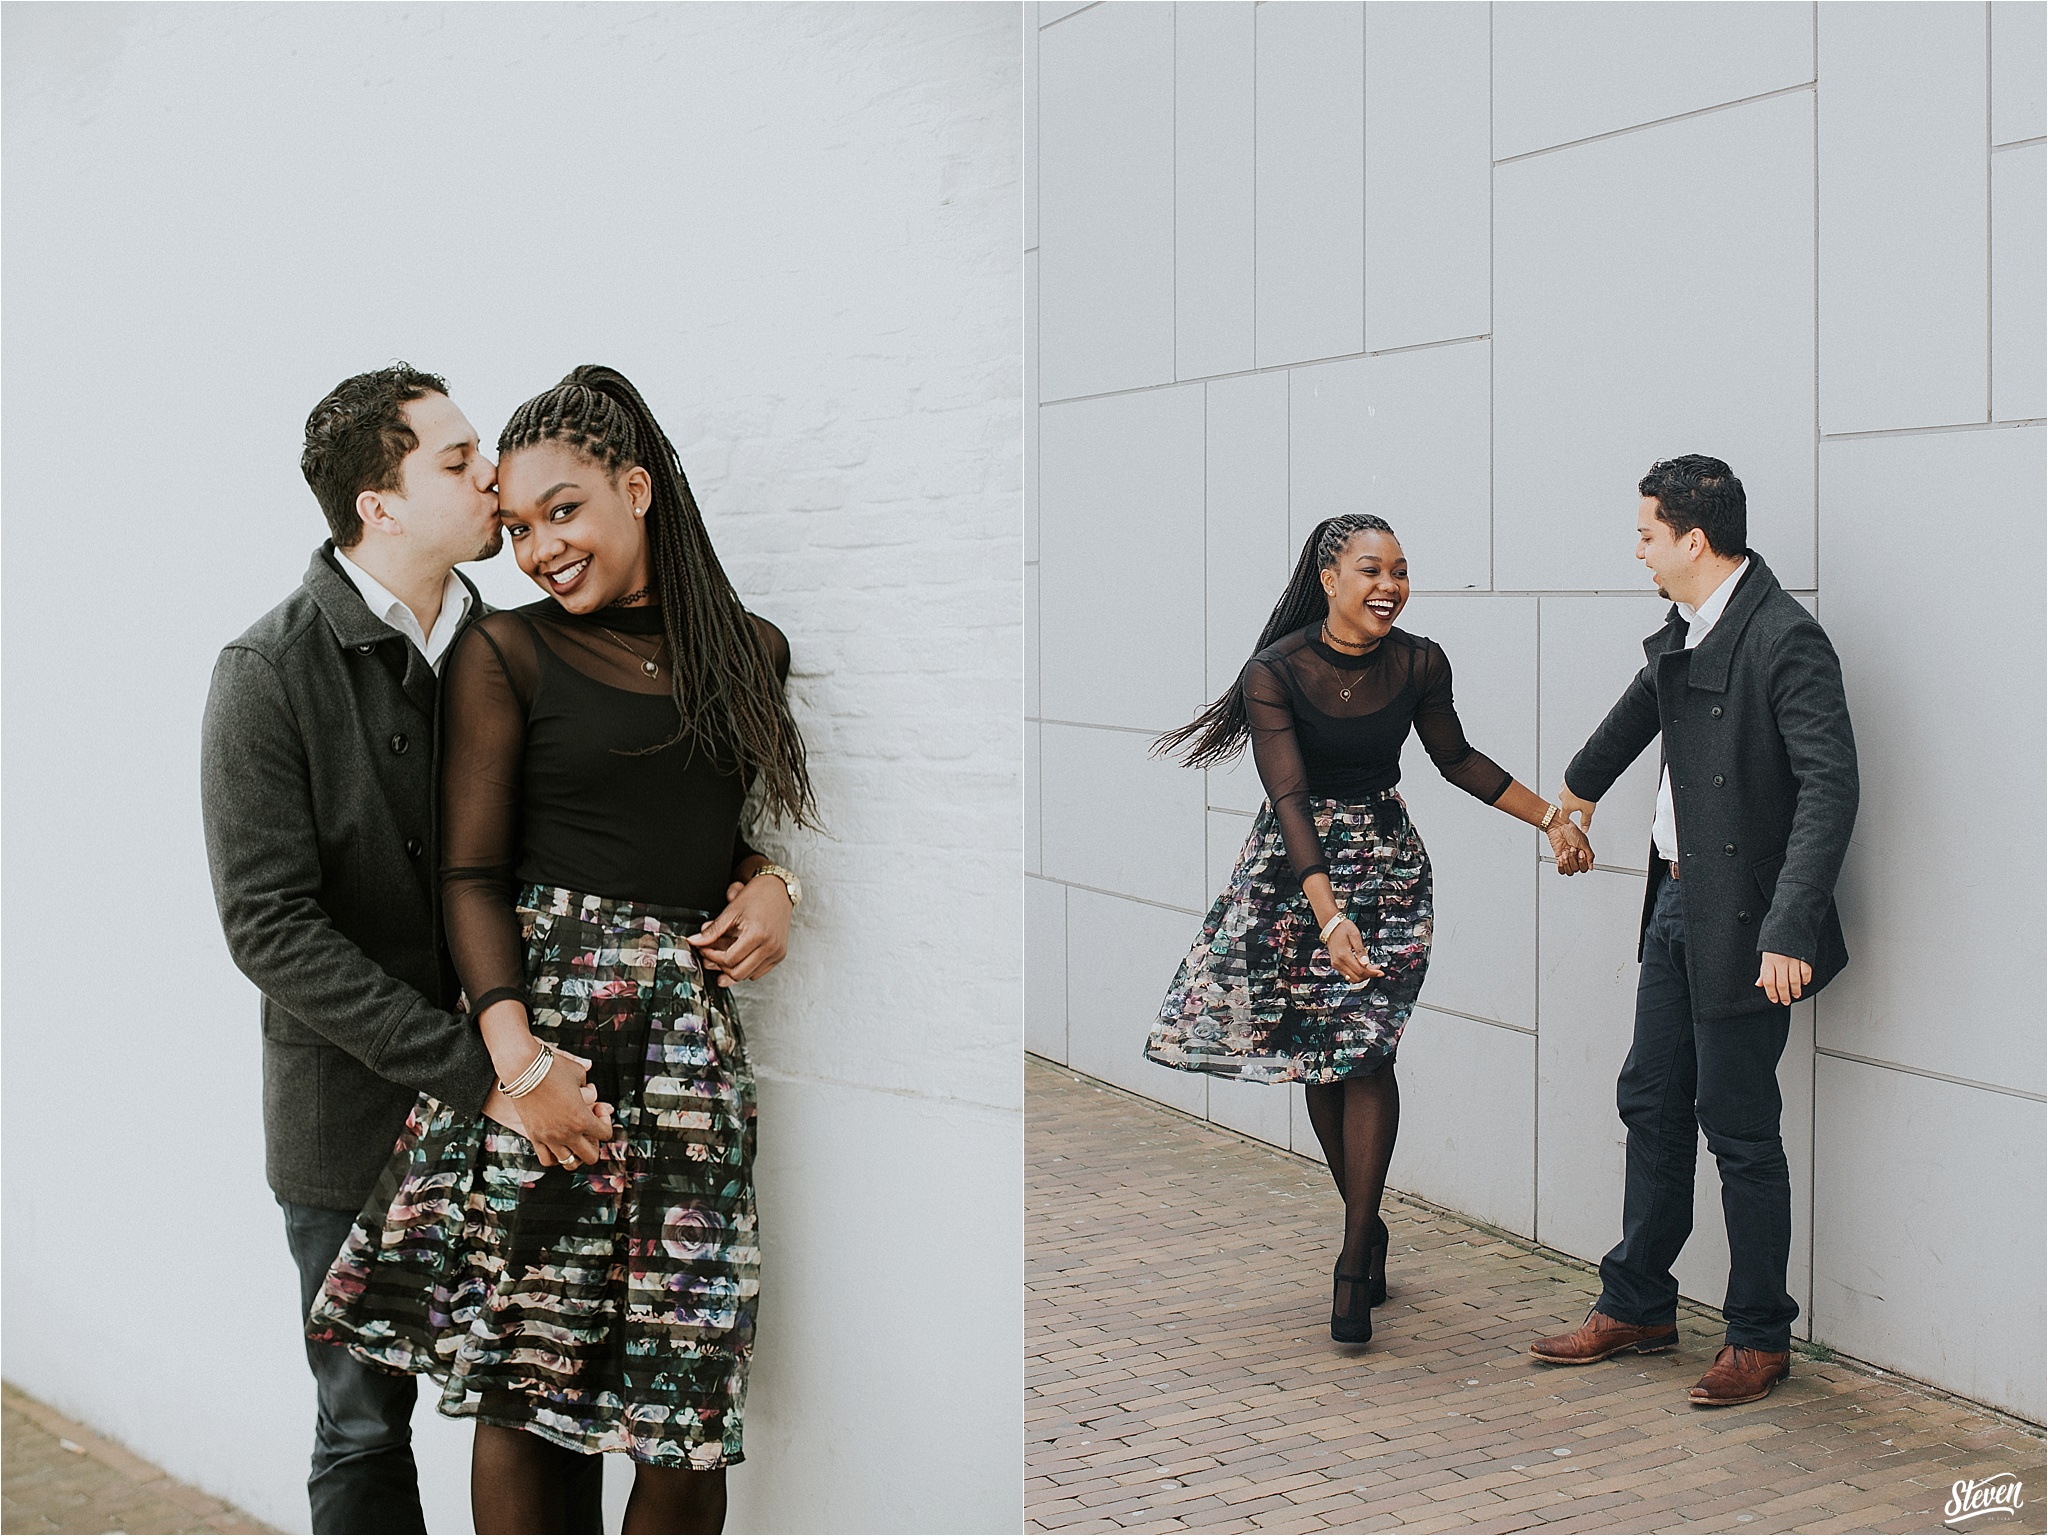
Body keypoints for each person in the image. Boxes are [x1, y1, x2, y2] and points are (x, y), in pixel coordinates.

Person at [308, 365, 815, 1535]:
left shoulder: (753, 651)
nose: (539, 548)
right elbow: (470, 875)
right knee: (528, 1388)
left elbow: (704, 833)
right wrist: (517, 1068)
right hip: (549, 1049)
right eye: (520, 525)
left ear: (635, 489)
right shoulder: (507, 653)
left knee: (681, 1406)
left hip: (686, 1059)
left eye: (565, 510)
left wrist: (771, 880)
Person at [201, 364, 613, 1534]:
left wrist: (758, 872)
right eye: (455, 458)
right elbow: (268, 927)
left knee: (545, 1412)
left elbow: (620, 821)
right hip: (356, 1124)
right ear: (378, 505)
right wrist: (485, 1075)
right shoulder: (267, 672)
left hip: (533, 1102)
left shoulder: (524, 645)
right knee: (363, 1431)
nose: (492, 476)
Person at [1146, 514, 1594, 1346]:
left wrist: (1550, 820)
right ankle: (1367, 1220)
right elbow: (1288, 797)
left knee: (1370, 1050)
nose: (1388, 586)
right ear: (1329, 578)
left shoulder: (1420, 661)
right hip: (1293, 874)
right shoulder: (1274, 671)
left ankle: (1355, 1255)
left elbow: (1455, 757)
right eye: (1370, 570)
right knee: (1324, 1052)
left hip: (1387, 871)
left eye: (1400, 571)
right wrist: (1325, 912)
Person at [1528, 455, 1857, 1409]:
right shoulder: (1692, 627)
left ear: (1693, 541)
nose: (1637, 550)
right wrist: (1576, 794)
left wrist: (1791, 928)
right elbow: (1642, 709)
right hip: (1677, 903)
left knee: (1740, 1130)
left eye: (1645, 534)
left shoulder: (1785, 639)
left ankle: (1759, 1337)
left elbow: (1831, 789)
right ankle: (1638, 1303)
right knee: (1652, 1099)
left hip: (1752, 926)